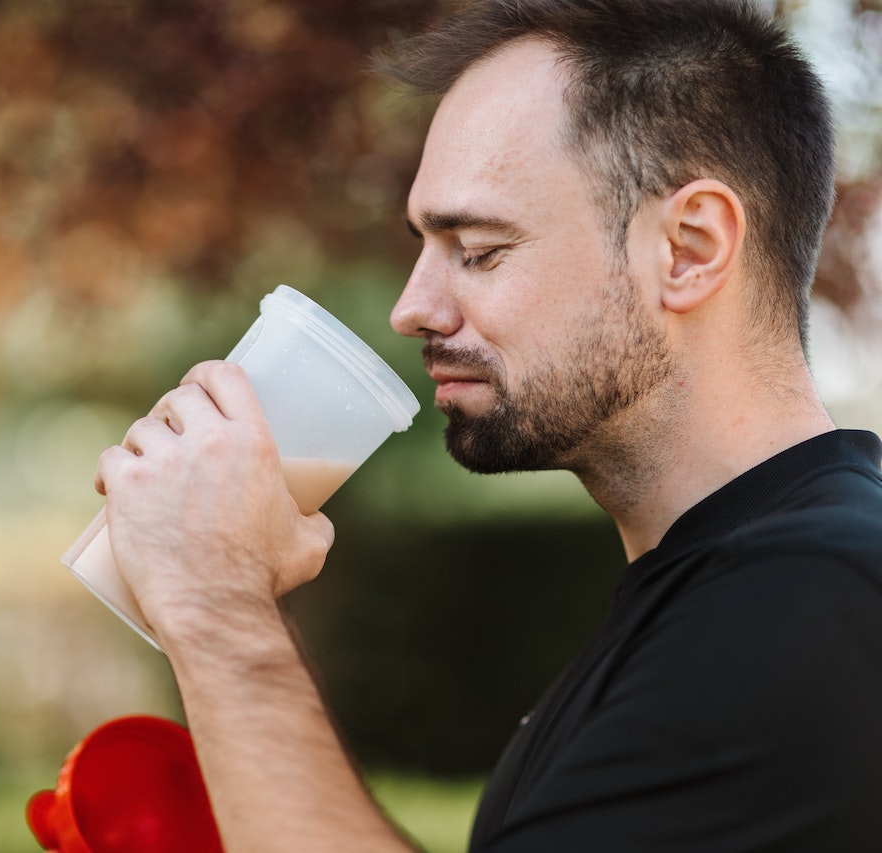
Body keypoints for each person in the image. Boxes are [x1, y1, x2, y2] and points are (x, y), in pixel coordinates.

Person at [93, 0, 882, 849]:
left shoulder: (817, 596)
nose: (412, 308)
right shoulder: (722, 594)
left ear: (688, 248)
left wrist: (218, 604)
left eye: (478, 249)